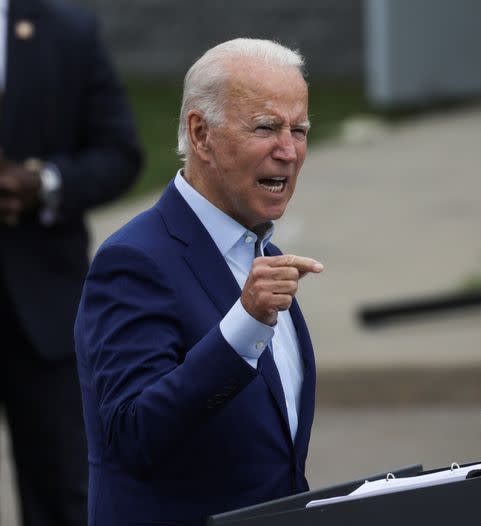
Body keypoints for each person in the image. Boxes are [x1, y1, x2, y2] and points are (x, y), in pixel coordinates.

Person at [74, 38, 324, 525]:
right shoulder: (134, 259)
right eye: (267, 127)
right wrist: (244, 325)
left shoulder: (262, 256)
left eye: (300, 129)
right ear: (201, 133)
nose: (289, 151)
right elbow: (132, 435)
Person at [0, 0, 142, 524]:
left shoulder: (68, 31)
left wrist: (46, 183)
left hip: (41, 303)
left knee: (63, 491)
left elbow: (120, 151)